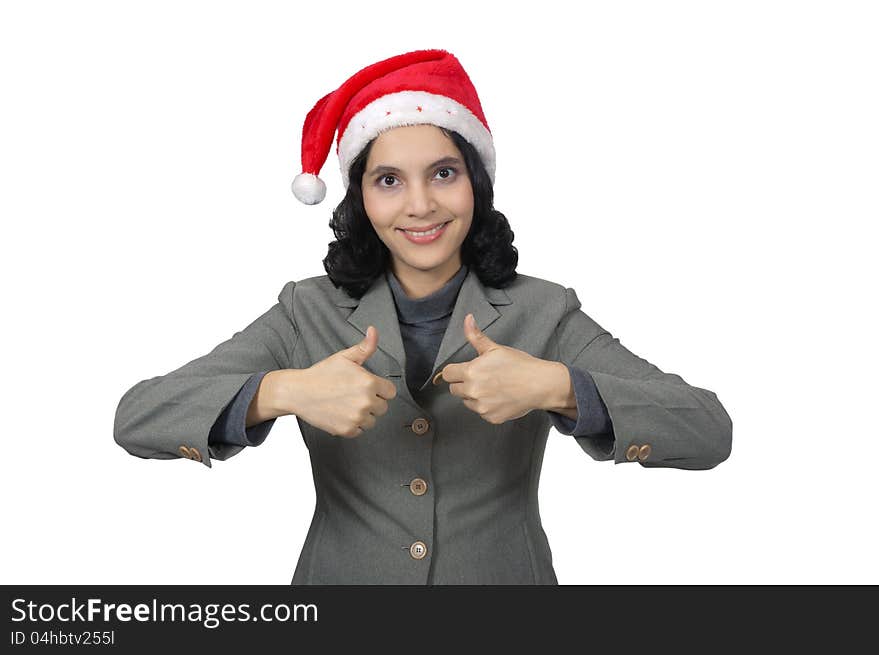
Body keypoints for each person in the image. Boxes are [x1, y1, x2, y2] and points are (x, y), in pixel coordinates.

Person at [114, 48, 733, 585]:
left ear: (476, 183)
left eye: (443, 173)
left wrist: (556, 386)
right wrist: (284, 391)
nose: (420, 205)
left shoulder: (545, 310)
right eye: (388, 180)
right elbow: (138, 417)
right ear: (360, 197)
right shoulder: (306, 311)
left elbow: (709, 429)